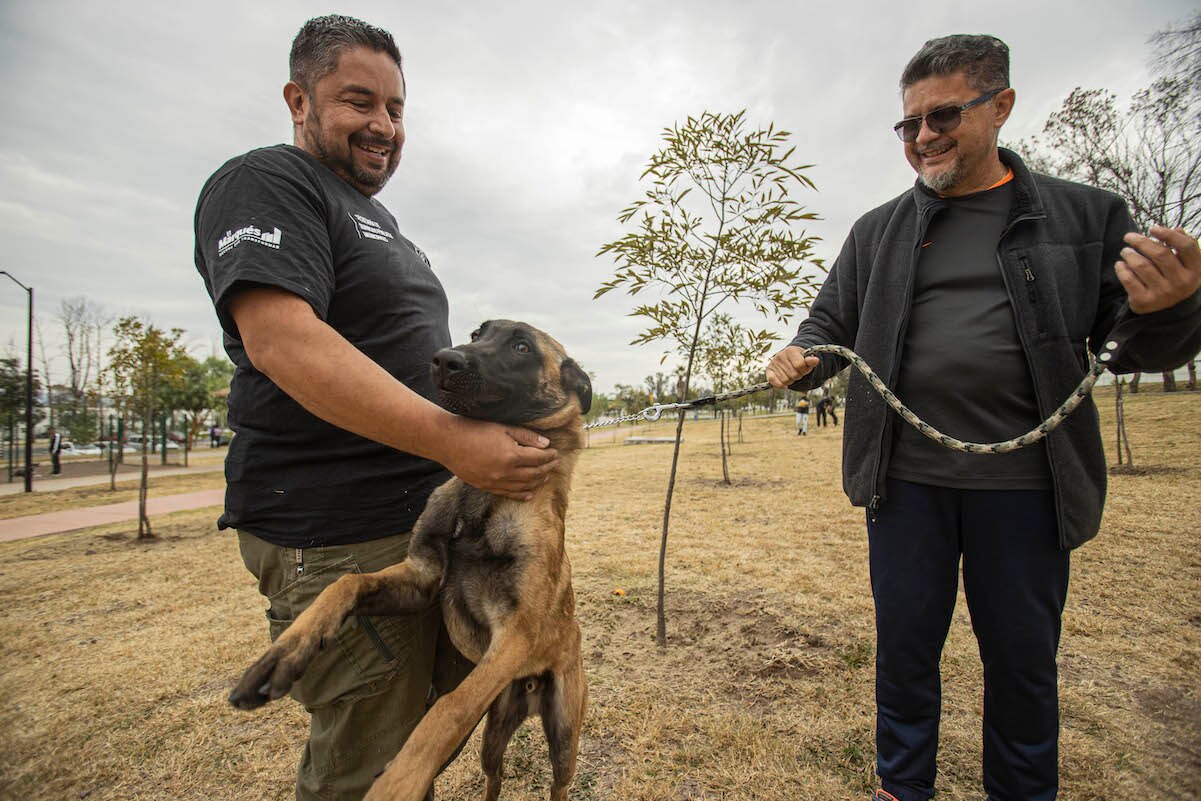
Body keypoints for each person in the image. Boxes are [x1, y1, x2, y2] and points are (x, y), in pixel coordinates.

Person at [766, 34, 1201, 801]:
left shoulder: (1085, 215)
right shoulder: (875, 231)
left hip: (1027, 487)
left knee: (1022, 659)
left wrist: (1174, 306)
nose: (922, 136)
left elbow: (1130, 342)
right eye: (908, 125)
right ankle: (901, 787)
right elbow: (828, 324)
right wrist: (801, 356)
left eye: (942, 116)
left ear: (999, 106)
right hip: (903, 485)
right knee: (904, 649)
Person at [193, 15, 558, 801]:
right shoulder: (265, 182)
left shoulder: (378, 220)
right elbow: (282, 340)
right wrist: (455, 443)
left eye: (396, 108)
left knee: (417, 745)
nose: (383, 126)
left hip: (421, 524)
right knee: (368, 771)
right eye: (359, 102)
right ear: (298, 99)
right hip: (335, 528)